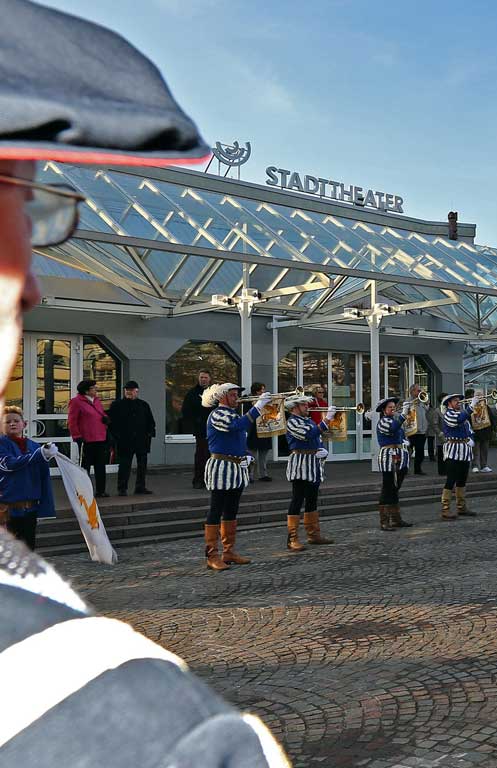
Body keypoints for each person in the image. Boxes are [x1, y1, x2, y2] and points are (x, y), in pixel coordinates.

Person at [0, 3, 289, 763]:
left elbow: (260, 423)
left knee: (233, 498)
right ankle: (216, 551)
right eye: (19, 201)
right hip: (179, 466)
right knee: (211, 496)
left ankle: (234, 545)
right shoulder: (149, 730)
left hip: (173, 462)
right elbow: (229, 422)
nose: (30, 282)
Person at [202, 383, 269, 570]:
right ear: (222, 397)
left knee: (231, 510)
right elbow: (236, 426)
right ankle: (211, 554)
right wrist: (258, 407)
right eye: (232, 395)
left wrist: (246, 454)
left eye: (236, 395)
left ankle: (228, 551)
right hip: (221, 467)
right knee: (216, 509)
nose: (236, 398)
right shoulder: (218, 413)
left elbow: (238, 438)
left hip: (236, 467)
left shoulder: (232, 413)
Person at [0, 405, 58, 549]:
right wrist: (39, 455)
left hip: (30, 509)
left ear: (24, 424)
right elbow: (9, 464)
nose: (12, 424)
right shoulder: (2, 444)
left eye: (16, 421)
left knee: (29, 548)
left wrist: (45, 508)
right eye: (7, 422)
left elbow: (44, 478)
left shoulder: (34, 446)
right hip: (8, 510)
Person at [283, 393, 335, 550]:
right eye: (304, 405)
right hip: (299, 464)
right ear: (294, 408)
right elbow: (309, 434)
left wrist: (321, 450)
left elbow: (316, 438)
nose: (308, 407)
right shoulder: (292, 422)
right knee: (297, 499)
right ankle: (292, 538)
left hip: (313, 463)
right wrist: (327, 419)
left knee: (312, 499)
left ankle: (313, 534)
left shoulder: (308, 420)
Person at [107, 380, 155, 496]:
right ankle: (122, 488)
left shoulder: (143, 405)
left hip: (141, 440)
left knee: (142, 465)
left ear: (136, 391)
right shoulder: (117, 405)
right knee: (124, 465)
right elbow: (111, 423)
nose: (129, 392)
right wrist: (116, 436)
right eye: (127, 390)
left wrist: (150, 433)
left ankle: (140, 487)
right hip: (124, 441)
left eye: (131, 390)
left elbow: (150, 421)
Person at [375, 395, 413, 531]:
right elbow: (392, 428)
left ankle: (396, 518)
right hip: (388, 458)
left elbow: (399, 431)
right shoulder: (383, 421)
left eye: (393, 407)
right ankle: (384, 521)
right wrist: (403, 414)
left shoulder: (393, 420)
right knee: (388, 488)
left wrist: (404, 441)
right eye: (390, 407)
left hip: (399, 456)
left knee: (395, 488)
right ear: (384, 410)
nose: (393, 409)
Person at [68, 378, 109, 498]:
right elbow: (72, 421)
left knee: (100, 465)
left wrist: (105, 418)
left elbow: (100, 413)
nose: (96, 389)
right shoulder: (76, 402)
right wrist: (76, 435)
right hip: (86, 439)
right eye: (93, 388)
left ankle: (101, 490)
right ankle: (83, 491)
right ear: (86, 391)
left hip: (100, 437)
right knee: (85, 466)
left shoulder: (96, 400)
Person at [441, 392, 476, 519]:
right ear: (449, 404)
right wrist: (471, 407)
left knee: (462, 480)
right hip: (453, 451)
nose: (458, 402)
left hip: (465, 451)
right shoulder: (448, 414)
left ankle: (461, 507)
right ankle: (445, 509)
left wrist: (471, 439)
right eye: (455, 400)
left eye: (459, 400)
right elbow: (458, 420)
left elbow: (470, 430)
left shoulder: (463, 415)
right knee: (451, 480)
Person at [182, 370, 213, 489]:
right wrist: (196, 421)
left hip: (214, 429)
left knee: (212, 456)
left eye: (205, 377)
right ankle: (198, 480)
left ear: (209, 379)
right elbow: (186, 411)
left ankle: (210, 479)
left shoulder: (214, 392)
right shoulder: (192, 393)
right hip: (201, 430)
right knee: (201, 455)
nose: (203, 379)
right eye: (201, 377)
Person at [245, 382, 274, 482]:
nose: (264, 392)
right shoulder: (248, 401)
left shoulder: (267, 400)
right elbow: (248, 414)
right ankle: (249, 475)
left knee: (263, 455)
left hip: (265, 429)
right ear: (256, 391)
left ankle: (263, 474)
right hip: (253, 431)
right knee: (252, 455)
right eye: (262, 390)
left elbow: (272, 412)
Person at [405, 384, 429, 475]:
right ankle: (404, 469)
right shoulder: (408, 401)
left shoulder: (421, 400)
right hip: (412, 431)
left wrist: (426, 402)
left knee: (420, 452)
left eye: (420, 390)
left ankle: (418, 469)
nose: (420, 392)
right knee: (408, 451)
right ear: (412, 391)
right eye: (418, 390)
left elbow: (426, 410)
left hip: (422, 430)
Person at [468, 388, 493, 473]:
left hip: (485, 432)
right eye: (477, 395)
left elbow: (491, 418)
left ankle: (484, 466)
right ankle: (474, 466)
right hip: (475, 432)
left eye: (480, 395)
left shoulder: (486, 407)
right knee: (475, 451)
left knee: (484, 450)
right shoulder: (471, 406)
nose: (479, 397)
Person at [428, 394, 445, 475]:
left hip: (449, 436)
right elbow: (435, 424)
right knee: (441, 454)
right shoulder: (437, 411)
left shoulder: (450, 409)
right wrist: (439, 433)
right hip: (441, 436)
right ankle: (441, 471)